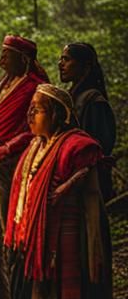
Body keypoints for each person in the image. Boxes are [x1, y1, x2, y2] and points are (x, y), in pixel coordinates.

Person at [5, 83, 112, 299]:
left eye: (37, 109)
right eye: (29, 109)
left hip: (62, 242)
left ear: (57, 114)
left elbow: (90, 177)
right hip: (34, 243)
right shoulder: (34, 146)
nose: (29, 115)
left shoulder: (76, 146)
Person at [0, 34, 48, 222]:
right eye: (2, 53)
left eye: (7, 54)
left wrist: (6, 149)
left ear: (23, 59)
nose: (2, 58)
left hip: (13, 158)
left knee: (8, 210)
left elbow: (35, 130)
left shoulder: (36, 88)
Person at [58, 42, 116, 200]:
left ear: (86, 66)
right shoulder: (71, 98)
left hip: (89, 183)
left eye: (66, 59)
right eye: (61, 59)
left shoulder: (94, 101)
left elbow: (101, 146)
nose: (60, 64)